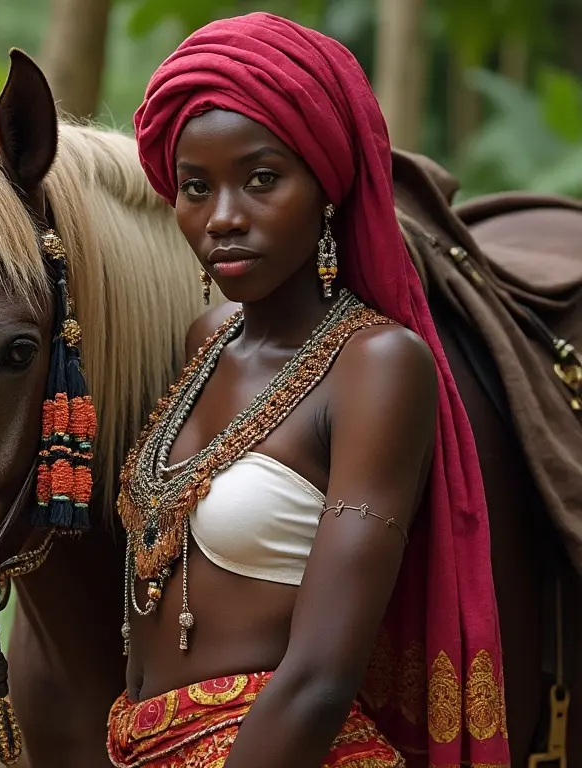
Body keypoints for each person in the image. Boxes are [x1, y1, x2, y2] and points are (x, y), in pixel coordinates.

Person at [111, 13, 510, 768]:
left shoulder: (378, 365)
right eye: (196, 187)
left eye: (262, 179)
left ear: (326, 187)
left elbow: (322, 678)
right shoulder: (207, 340)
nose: (223, 217)